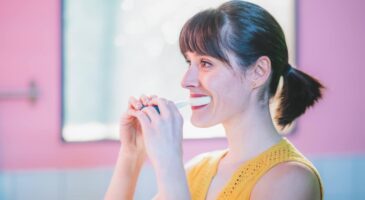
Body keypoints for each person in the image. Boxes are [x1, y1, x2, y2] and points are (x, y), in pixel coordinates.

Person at [104, 0, 324, 199]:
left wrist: (170, 164)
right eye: (188, 62)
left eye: (206, 63)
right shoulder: (197, 169)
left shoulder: (291, 179)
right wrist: (131, 155)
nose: (186, 80)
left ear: (258, 71)